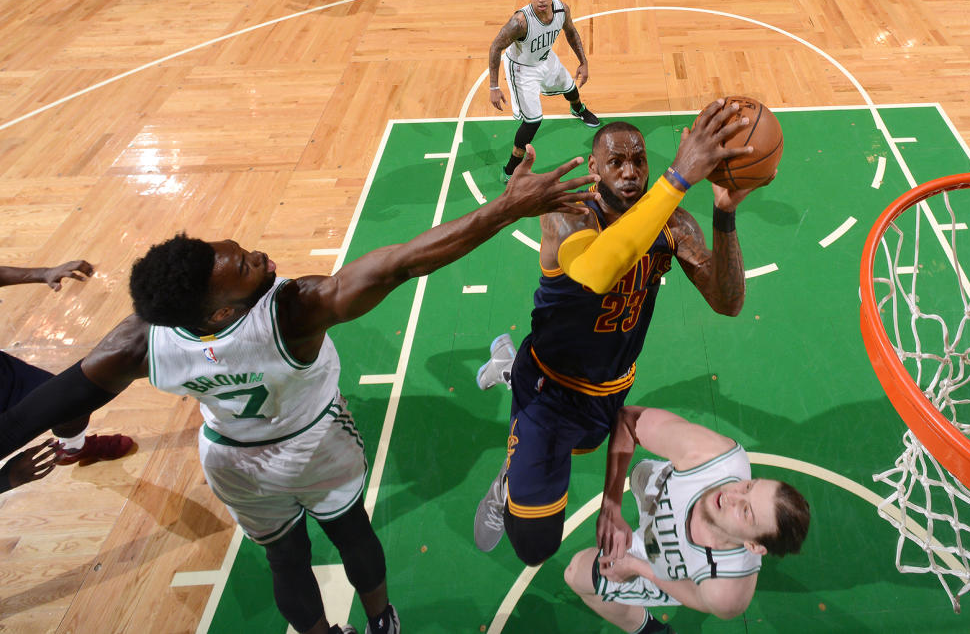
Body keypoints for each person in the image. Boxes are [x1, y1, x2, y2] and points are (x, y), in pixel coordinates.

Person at [0, 150, 596, 634]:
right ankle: (382, 620)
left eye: (230, 248)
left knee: (284, 557)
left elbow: (42, 408)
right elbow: (400, 265)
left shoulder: (137, 340)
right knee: (351, 530)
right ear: (225, 309)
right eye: (243, 266)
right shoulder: (292, 311)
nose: (254, 254)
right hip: (313, 445)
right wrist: (504, 209)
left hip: (232, 460)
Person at [473, 101, 755, 569]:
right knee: (535, 546)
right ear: (594, 167)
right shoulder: (568, 212)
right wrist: (680, 176)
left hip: (608, 389)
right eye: (616, 161)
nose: (629, 172)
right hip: (548, 390)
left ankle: (506, 372)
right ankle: (508, 470)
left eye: (639, 160)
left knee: (584, 446)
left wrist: (724, 214)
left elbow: (727, 302)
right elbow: (597, 274)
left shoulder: (674, 224)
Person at [563, 406, 811, 634]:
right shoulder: (711, 457)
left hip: (662, 560)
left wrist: (635, 567)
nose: (731, 495)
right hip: (661, 494)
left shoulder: (727, 591)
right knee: (639, 473)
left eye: (745, 511)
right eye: (749, 485)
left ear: (753, 546)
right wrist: (611, 507)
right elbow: (628, 421)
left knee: (575, 574)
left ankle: (648, 630)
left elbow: (696, 595)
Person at [0, 260, 135, 493]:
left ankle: (74, 449)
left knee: (73, 408)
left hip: (5, 376)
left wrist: (44, 273)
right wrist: (7, 479)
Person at [488, 0, 599, 181]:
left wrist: (583, 62)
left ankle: (578, 109)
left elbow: (571, 32)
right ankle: (510, 169)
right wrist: (494, 87)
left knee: (570, 87)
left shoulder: (561, 9)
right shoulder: (519, 22)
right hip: (522, 69)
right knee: (533, 121)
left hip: (546, 58)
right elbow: (495, 47)